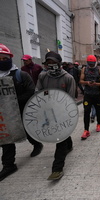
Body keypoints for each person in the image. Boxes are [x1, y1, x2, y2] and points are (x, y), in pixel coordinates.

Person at [0, 44, 43, 181]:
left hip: (21, 109)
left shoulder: (20, 75)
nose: (2, 61)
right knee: (6, 138)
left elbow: (30, 91)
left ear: (10, 58)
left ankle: (36, 144)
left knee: (26, 130)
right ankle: (9, 164)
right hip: (4, 114)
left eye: (4, 58)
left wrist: (13, 101)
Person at [35, 51, 75, 180]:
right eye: (48, 63)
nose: (51, 65)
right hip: (48, 113)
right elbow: (38, 93)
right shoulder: (42, 77)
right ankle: (69, 145)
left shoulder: (68, 78)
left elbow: (70, 98)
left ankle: (57, 169)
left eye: (53, 62)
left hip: (62, 113)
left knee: (60, 138)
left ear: (59, 63)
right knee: (64, 137)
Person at [79, 55, 100, 140]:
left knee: (98, 110)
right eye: (89, 64)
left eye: (92, 64)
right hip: (87, 95)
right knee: (87, 111)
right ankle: (86, 130)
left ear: (95, 62)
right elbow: (81, 81)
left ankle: (99, 124)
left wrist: (95, 84)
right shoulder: (84, 69)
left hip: (97, 94)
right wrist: (87, 82)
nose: (91, 65)